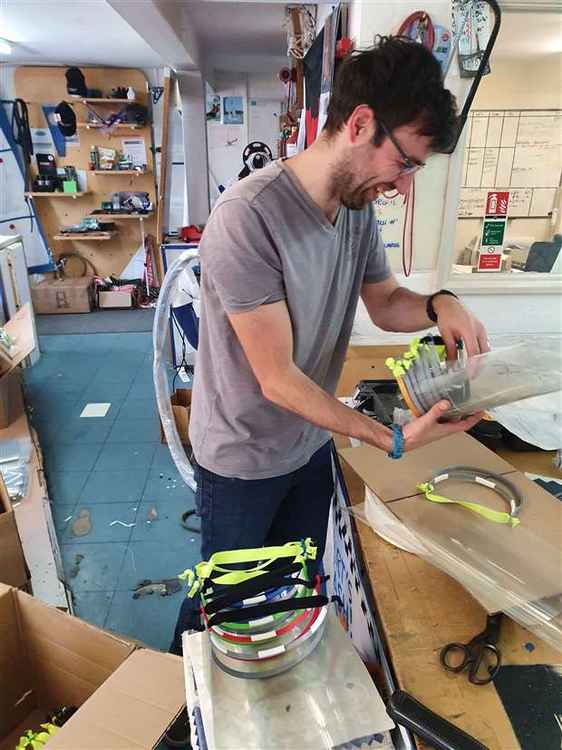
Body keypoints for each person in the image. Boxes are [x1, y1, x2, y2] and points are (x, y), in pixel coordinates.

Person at [170, 36, 488, 656]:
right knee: (227, 606)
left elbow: (383, 301)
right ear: (361, 123)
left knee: (291, 592)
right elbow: (277, 380)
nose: (402, 186)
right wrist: (386, 437)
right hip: (243, 455)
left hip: (307, 444)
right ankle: (174, 702)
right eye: (405, 164)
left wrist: (437, 303)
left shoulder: (355, 209)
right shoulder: (249, 219)